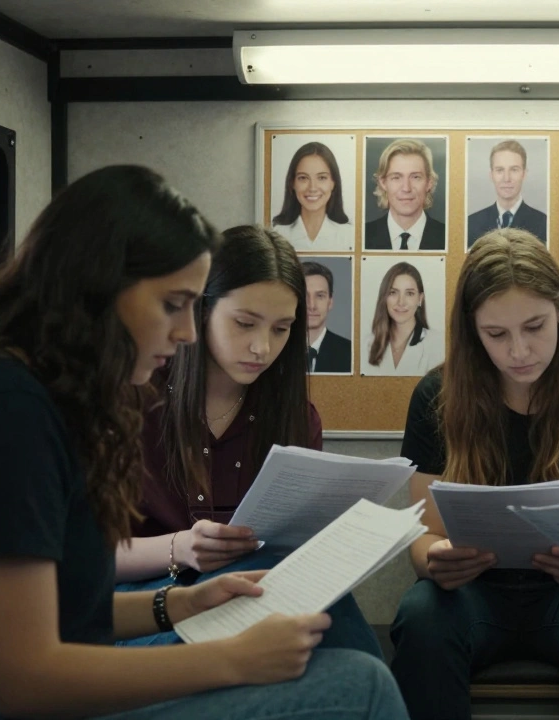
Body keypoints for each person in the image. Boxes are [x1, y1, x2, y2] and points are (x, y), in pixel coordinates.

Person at [0, 166, 407, 720]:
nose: (188, 332)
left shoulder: (45, 401)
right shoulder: (1, 416)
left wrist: (182, 602)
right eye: (173, 304)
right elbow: (24, 681)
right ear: (99, 291)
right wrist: (234, 660)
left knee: (329, 639)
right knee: (358, 686)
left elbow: (64, 609)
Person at [391, 228, 559, 720]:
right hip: (472, 599)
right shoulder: (436, 396)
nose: (519, 351)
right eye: (496, 334)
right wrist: (435, 560)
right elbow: (423, 541)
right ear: (472, 331)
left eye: (535, 326)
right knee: (421, 615)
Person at [113, 225, 380, 656]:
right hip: (144, 604)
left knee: (332, 617)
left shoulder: (295, 418)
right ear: (201, 311)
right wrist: (180, 547)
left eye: (281, 329)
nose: (261, 347)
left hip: (253, 594)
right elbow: (81, 559)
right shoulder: (133, 400)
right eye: (244, 323)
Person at [362, 261, 443, 376]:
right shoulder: (366, 344)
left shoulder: (438, 344)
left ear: (420, 299)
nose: (401, 302)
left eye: (409, 293)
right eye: (393, 292)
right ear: (384, 297)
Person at [271, 141, 354, 252]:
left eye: (321, 178)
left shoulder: (349, 236)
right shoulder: (277, 235)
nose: (312, 188)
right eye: (303, 178)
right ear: (292, 183)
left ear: (333, 183)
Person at [364, 139, 446, 251]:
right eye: (396, 177)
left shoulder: (448, 237)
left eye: (415, 177)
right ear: (383, 183)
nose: (406, 188)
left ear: (429, 183)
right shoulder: (362, 235)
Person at [466, 139, 548, 247]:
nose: (507, 178)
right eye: (500, 170)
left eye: (514, 170)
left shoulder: (544, 223)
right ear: (491, 175)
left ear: (524, 174)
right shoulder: (472, 223)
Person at [303, 260, 353, 374]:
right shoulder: (278, 350)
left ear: (330, 302)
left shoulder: (350, 353)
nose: (312, 305)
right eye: (303, 295)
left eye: (320, 296)